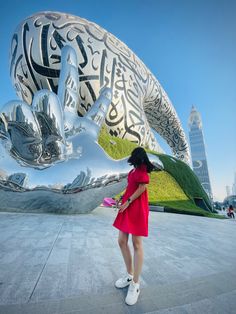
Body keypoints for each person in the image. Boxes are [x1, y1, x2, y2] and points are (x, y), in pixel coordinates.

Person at [113, 147, 156, 306]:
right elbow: (131, 187)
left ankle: (135, 284)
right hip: (127, 206)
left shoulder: (142, 169)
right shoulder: (134, 171)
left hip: (137, 209)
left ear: (138, 157)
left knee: (137, 244)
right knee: (122, 241)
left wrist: (128, 201)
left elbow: (142, 188)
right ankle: (129, 275)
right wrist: (121, 199)